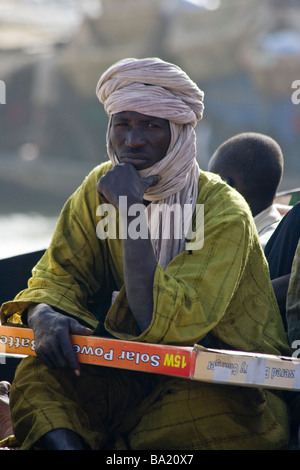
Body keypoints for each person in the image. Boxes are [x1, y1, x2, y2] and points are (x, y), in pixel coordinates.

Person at [0, 58, 291, 450]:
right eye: (123, 125)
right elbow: (60, 274)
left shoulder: (223, 210)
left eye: (151, 126)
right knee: (37, 377)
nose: (133, 140)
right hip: (127, 374)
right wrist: (44, 314)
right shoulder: (98, 190)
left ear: (180, 133)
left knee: (188, 416)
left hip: (230, 385)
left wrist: (132, 213)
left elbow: (161, 321)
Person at [208, 132, 284, 249]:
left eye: (213, 184)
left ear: (228, 188)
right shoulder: (281, 236)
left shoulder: (251, 252)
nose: (209, 195)